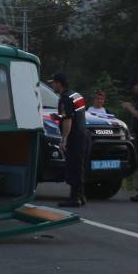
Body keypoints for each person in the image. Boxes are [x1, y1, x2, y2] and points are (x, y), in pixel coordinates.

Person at [51, 73, 90, 207]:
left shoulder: (65, 98)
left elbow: (69, 120)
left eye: (53, 83)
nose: (53, 85)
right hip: (83, 133)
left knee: (73, 166)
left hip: (74, 136)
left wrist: (64, 139)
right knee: (80, 165)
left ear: (59, 84)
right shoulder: (76, 95)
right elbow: (74, 115)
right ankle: (81, 195)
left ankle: (74, 198)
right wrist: (59, 117)